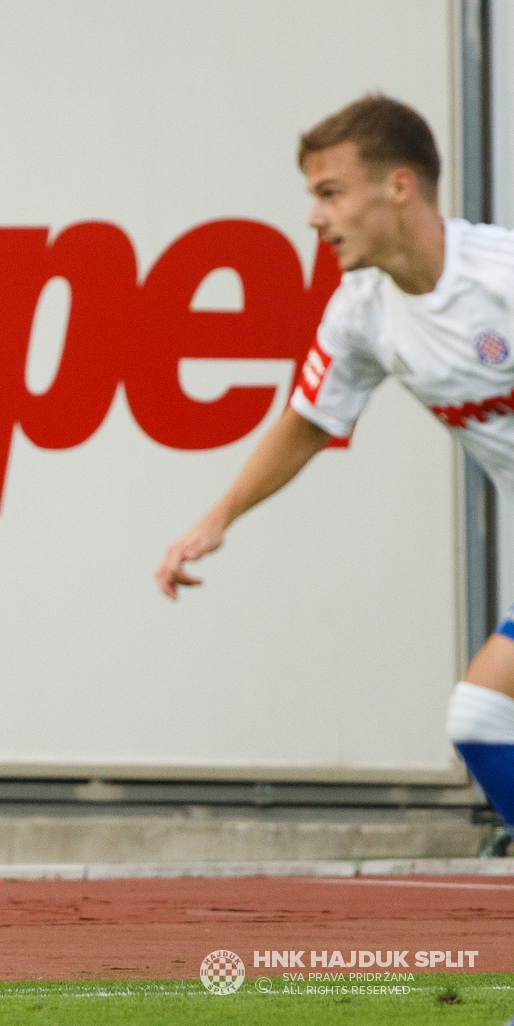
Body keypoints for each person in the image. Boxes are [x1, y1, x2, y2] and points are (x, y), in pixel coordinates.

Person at [156, 94, 514, 847]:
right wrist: (214, 521)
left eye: (330, 193)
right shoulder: (362, 312)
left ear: (400, 187)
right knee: (482, 720)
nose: (315, 218)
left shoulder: (500, 275)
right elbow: (311, 420)